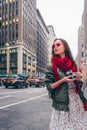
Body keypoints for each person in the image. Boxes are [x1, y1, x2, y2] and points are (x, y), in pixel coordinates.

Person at [45, 38, 87, 130]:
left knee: (77, 125)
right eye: (54, 46)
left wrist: (79, 74)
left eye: (58, 45)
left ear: (65, 47)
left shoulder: (72, 63)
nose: (55, 47)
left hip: (76, 100)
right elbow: (49, 86)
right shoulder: (51, 66)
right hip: (63, 101)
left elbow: (78, 82)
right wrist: (63, 80)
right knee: (63, 126)